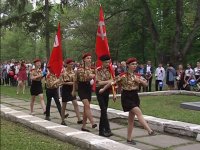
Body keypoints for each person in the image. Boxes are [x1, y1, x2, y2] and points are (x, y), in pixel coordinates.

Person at [99, 57, 156, 145]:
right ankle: (149, 130)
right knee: (138, 112)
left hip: (135, 96)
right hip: (126, 97)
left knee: (131, 120)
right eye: (132, 64)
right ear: (128, 65)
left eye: (135, 64)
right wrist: (103, 89)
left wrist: (139, 80)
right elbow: (112, 82)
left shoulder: (138, 75)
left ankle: (129, 139)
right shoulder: (123, 75)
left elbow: (146, 84)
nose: (134, 66)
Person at [72, 53, 97, 132]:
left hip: (88, 88)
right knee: (87, 105)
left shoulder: (93, 69)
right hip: (81, 88)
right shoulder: (79, 70)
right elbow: (75, 81)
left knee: (86, 108)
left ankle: (83, 126)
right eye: (87, 58)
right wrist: (73, 91)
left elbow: (96, 78)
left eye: (90, 58)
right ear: (84, 60)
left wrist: (92, 79)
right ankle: (92, 122)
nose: (89, 60)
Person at [60, 58, 83, 125]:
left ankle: (79, 119)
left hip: (72, 89)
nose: (72, 65)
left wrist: (74, 84)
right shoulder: (63, 72)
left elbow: (75, 81)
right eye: (70, 64)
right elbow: (63, 82)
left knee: (75, 103)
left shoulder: (74, 72)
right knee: (64, 105)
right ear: (66, 64)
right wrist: (72, 83)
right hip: (65, 89)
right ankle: (62, 120)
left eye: (72, 64)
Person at [95, 55, 113, 137]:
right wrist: (109, 81)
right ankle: (107, 129)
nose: (107, 64)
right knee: (103, 109)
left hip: (106, 91)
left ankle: (101, 131)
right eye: (106, 62)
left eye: (108, 62)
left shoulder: (110, 70)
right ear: (102, 62)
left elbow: (113, 81)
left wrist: (108, 82)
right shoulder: (98, 70)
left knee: (104, 110)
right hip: (99, 91)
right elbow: (98, 83)